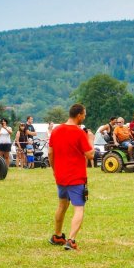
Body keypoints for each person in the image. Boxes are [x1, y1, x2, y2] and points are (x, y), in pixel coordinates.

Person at [48, 104, 94, 251]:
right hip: (76, 177)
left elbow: (50, 153)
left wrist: (55, 170)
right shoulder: (80, 133)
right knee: (79, 208)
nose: (84, 117)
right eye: (84, 114)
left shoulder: (56, 130)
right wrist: (91, 139)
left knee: (62, 205)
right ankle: (71, 240)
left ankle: (57, 235)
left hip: (61, 176)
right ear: (79, 115)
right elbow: (90, 155)